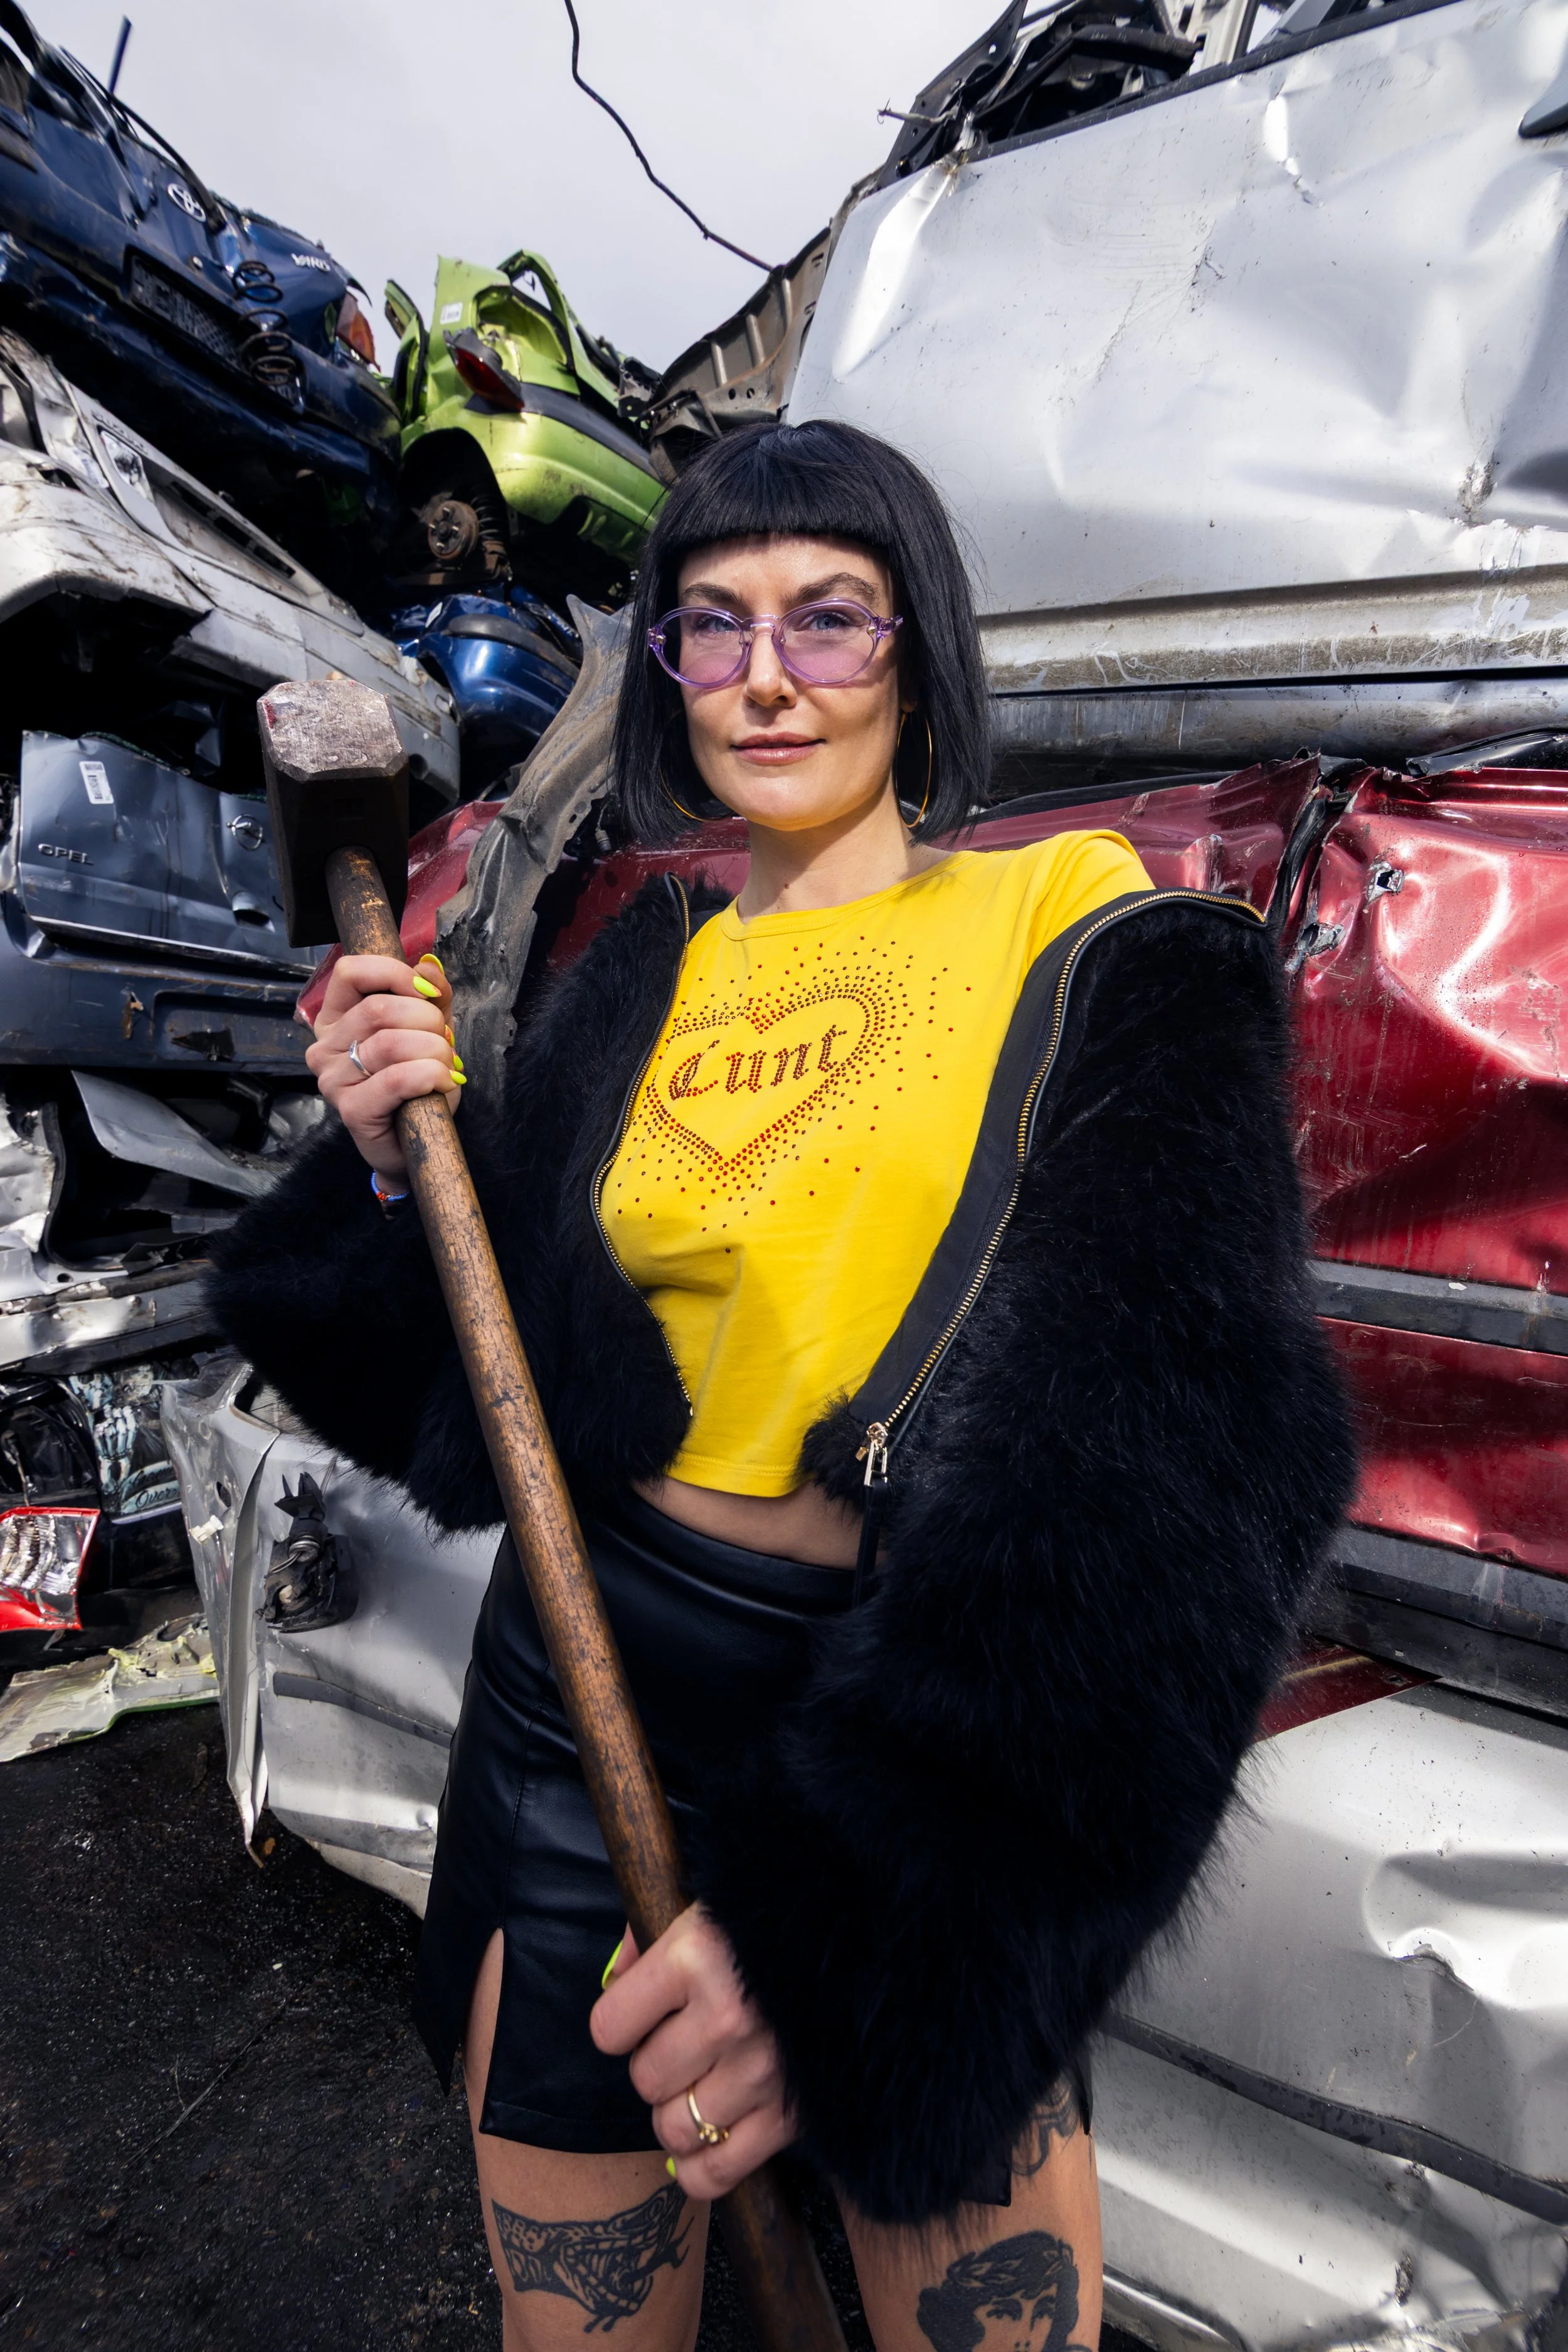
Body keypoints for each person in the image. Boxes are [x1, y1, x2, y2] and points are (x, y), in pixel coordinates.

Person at [212, 419, 1353, 2352]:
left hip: (911, 1745)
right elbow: (488, 1402)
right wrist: (409, 1160)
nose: (762, 673)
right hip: (582, 1701)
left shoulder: (1085, 930)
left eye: (828, 618)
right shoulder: (637, 962)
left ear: (920, 650)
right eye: (710, 625)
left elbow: (1173, 1454)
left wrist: (861, 1914)